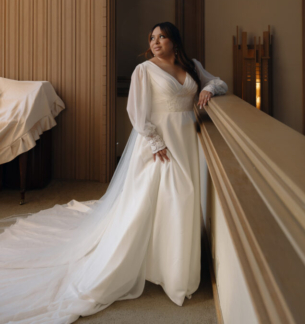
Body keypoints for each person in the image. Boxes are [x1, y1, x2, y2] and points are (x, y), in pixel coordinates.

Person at [0, 21, 228, 324]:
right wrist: (155, 141)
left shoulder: (193, 66)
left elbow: (220, 82)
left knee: (183, 199)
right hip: (159, 142)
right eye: (152, 37)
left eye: (162, 36)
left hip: (189, 140)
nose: (156, 41)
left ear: (175, 40)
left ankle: (178, 266)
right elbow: (136, 112)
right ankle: (171, 274)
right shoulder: (144, 71)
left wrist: (207, 90)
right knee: (171, 196)